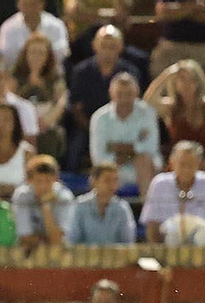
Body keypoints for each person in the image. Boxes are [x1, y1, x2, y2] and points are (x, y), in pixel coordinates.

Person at [145, 59, 205, 182]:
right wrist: (168, 74)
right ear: (175, 83)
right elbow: (148, 102)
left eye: (192, 80)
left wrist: (202, 168)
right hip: (180, 166)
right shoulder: (172, 108)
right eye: (182, 80)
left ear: (198, 83)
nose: (187, 84)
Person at [139, 139, 205, 244]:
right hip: (170, 244)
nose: (186, 169)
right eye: (182, 164)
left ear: (198, 164)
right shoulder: (160, 183)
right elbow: (152, 225)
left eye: (191, 164)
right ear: (172, 162)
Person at [69, 25, 141, 161]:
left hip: (125, 125)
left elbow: (136, 104)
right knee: (74, 150)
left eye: (112, 46)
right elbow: (75, 106)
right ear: (94, 46)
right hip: (87, 125)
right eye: (103, 45)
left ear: (120, 47)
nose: (107, 51)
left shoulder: (131, 72)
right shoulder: (81, 71)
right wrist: (94, 127)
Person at [150, 0, 205, 105]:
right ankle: (167, 110)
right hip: (173, 45)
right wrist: (194, 9)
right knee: (157, 62)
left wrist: (181, 10)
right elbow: (162, 14)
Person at [89, 71, 157, 191]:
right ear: (111, 94)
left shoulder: (147, 113)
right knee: (104, 172)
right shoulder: (100, 118)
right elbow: (98, 157)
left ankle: (146, 206)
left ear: (137, 93)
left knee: (144, 160)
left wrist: (117, 148)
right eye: (120, 94)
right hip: (113, 168)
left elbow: (150, 149)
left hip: (144, 168)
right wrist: (132, 151)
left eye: (129, 94)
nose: (125, 99)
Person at [12, 32, 67, 161]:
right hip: (21, 125)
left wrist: (45, 121)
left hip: (45, 126)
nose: (37, 57)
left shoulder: (55, 78)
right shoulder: (15, 77)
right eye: (33, 52)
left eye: (41, 53)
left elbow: (61, 102)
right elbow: (11, 101)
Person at [9, 151, 72, 248]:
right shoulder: (21, 196)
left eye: (48, 181)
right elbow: (25, 238)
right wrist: (47, 240)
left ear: (56, 179)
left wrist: (46, 206)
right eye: (39, 181)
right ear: (29, 180)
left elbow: (58, 240)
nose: (43, 186)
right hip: (27, 253)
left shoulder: (65, 197)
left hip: (58, 254)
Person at [0, 0, 67, 73]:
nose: (30, 9)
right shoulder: (8, 27)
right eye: (26, 5)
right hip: (18, 75)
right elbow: (7, 56)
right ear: (18, 5)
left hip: (50, 75)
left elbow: (61, 52)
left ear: (42, 4)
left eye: (34, 4)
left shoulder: (57, 25)